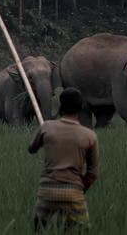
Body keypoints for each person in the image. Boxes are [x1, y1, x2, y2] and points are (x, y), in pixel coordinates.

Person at [28, 88, 99, 232]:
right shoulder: (90, 135)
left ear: (61, 106)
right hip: (74, 193)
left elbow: (32, 148)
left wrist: (44, 137)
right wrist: (79, 189)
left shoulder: (46, 127)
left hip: (47, 191)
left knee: (39, 229)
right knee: (83, 230)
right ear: (81, 108)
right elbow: (92, 173)